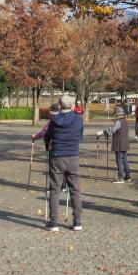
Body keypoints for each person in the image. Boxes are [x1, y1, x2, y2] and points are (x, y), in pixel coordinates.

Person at [43, 94, 83, 232]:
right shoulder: (78, 119)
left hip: (57, 156)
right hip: (73, 156)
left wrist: (47, 146)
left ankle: (53, 222)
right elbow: (80, 136)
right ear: (71, 105)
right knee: (75, 189)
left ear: (59, 106)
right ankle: (77, 221)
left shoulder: (54, 120)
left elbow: (47, 137)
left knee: (55, 189)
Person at [98, 106, 131, 183]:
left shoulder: (118, 121)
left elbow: (113, 129)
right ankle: (128, 176)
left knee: (119, 160)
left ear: (117, 114)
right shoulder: (125, 120)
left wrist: (104, 132)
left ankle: (120, 178)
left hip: (119, 143)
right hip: (125, 143)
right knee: (125, 160)